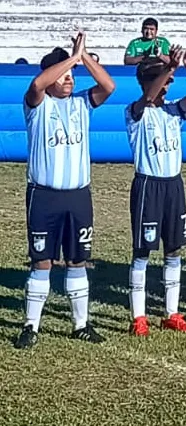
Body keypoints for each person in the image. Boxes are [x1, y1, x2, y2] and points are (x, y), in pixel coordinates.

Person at [15, 32, 116, 349]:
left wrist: (82, 57)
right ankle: (31, 326)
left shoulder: (82, 104)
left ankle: (80, 324)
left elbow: (109, 87)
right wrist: (70, 59)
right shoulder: (38, 105)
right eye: (64, 75)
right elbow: (36, 86)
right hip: (45, 196)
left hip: (78, 195)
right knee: (42, 261)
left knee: (77, 260)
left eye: (73, 75)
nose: (70, 79)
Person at [125, 44, 186, 336]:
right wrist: (170, 67)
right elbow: (146, 98)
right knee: (143, 251)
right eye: (163, 81)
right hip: (148, 185)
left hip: (173, 185)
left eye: (169, 81)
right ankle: (139, 316)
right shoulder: (136, 113)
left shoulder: (172, 112)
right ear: (148, 81)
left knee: (174, 249)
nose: (168, 86)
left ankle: (172, 312)